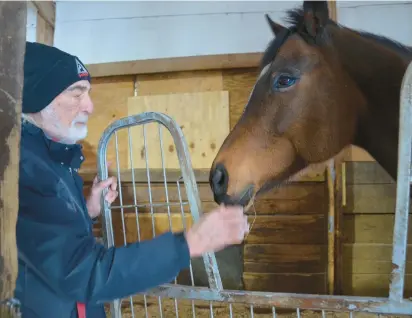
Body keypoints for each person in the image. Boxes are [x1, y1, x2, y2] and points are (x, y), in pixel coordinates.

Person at [15, 41, 249, 318]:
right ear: (37, 97)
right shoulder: (23, 168)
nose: (89, 106)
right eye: (76, 94)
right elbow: (82, 273)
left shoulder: (51, 159)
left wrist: (88, 209)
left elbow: (43, 237)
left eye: (88, 93)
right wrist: (190, 242)